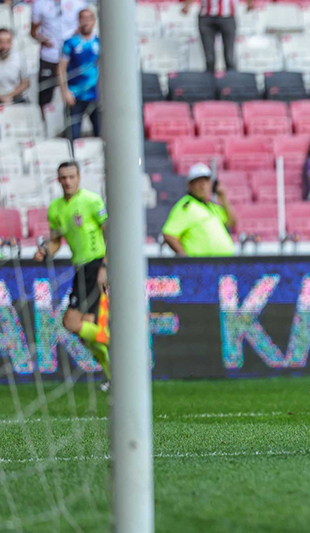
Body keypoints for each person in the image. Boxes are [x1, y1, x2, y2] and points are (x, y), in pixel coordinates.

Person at [33, 161, 110, 383]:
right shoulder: (56, 209)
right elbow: (57, 242)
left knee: (70, 323)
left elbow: (110, 233)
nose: (67, 181)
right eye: (63, 178)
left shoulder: (91, 200)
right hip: (80, 267)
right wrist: (45, 251)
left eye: (71, 177)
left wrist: (104, 266)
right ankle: (113, 378)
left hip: (94, 265)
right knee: (87, 334)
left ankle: (116, 343)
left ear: (79, 177)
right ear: (58, 180)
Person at [162, 162, 237, 257]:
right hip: (201, 266)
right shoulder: (186, 206)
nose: (203, 185)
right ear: (190, 185)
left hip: (222, 264)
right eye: (198, 181)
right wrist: (186, 261)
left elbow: (231, 222)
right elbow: (169, 234)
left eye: (206, 181)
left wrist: (223, 198)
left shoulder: (212, 206)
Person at [31, 0, 87, 117]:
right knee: (45, 94)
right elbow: (33, 30)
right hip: (49, 55)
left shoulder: (78, 3)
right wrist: (43, 39)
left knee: (74, 92)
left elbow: (84, 25)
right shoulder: (40, 4)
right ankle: (45, 125)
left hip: (71, 56)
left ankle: (73, 123)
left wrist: (72, 40)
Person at [59, 8, 100, 141]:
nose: (86, 22)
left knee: (100, 135)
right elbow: (61, 69)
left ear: (94, 21)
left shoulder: (99, 43)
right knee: (73, 134)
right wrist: (65, 91)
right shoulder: (70, 43)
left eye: (89, 18)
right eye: (83, 19)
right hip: (75, 95)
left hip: (96, 95)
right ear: (78, 21)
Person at [181, 0, 252, 72]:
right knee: (209, 58)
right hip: (206, 17)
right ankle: (210, 80)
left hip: (227, 16)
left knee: (229, 57)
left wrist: (250, 3)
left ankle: (230, 80)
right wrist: (187, 5)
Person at [0, 28, 29, 104]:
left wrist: (9, 96)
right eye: (1, 42)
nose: (4, 46)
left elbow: (25, 83)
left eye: (8, 42)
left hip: (15, 100)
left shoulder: (19, 58)